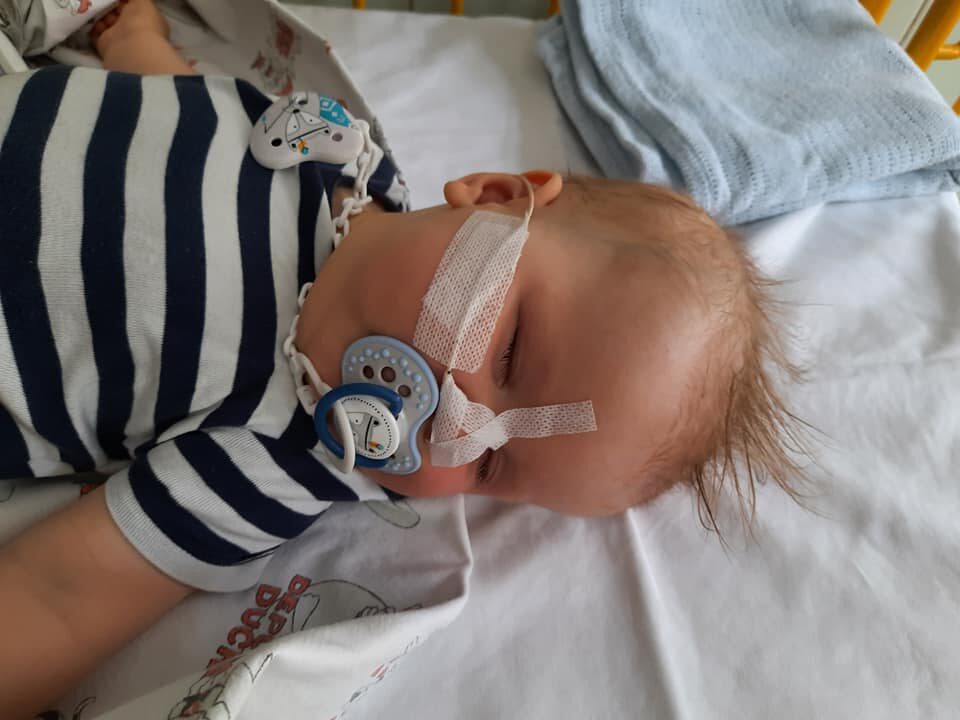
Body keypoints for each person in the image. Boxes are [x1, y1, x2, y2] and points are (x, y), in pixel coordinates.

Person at [0, 0, 803, 715]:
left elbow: (62, 595)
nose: (456, 420)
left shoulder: (273, 460)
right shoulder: (338, 152)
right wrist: (136, 44)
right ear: (495, 197)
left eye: (491, 464)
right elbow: (191, 105)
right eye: (511, 352)